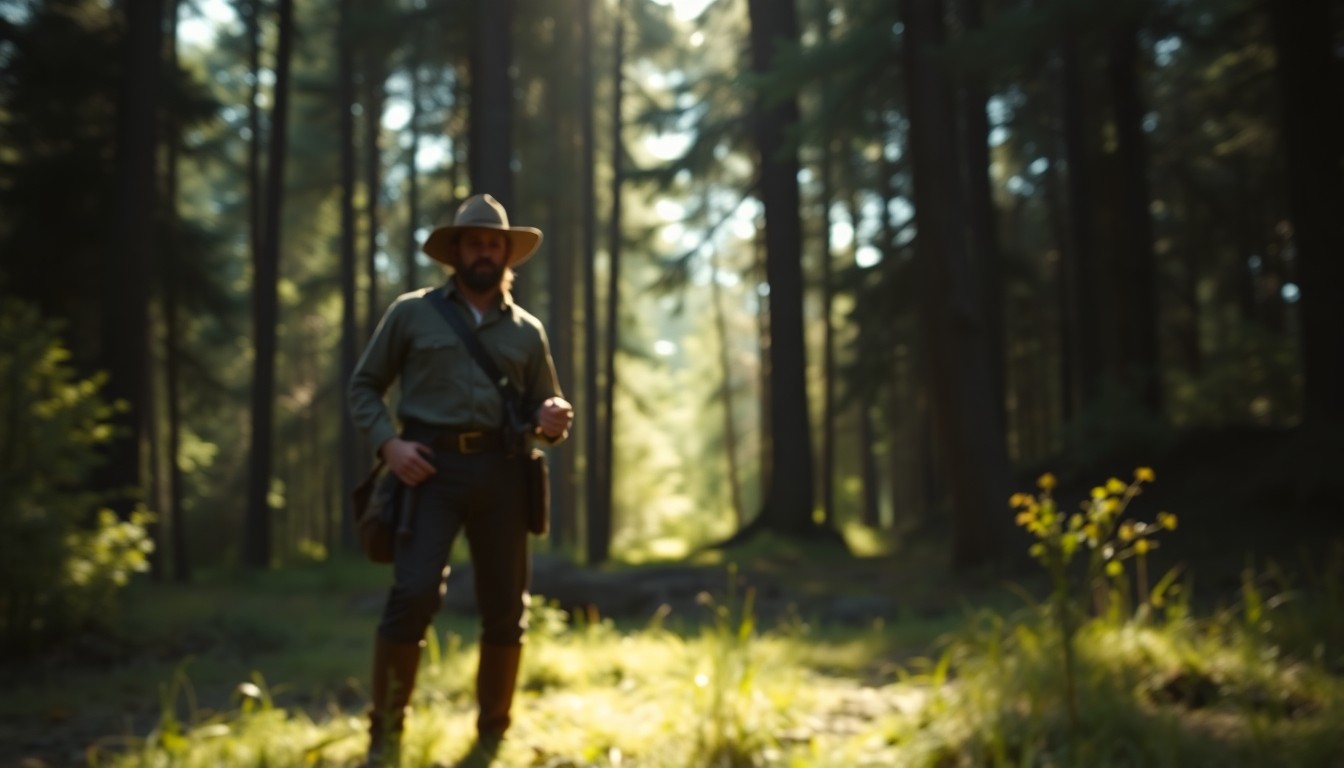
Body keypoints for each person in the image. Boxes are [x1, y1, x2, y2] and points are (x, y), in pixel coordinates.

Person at [348, 193, 574, 766]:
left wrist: (552, 419)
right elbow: (364, 387)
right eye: (473, 241)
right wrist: (390, 444)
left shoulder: (528, 331)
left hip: (504, 474)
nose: (483, 250)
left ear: (507, 253)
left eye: (493, 242)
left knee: (506, 609)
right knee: (413, 593)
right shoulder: (411, 312)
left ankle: (493, 735)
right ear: (455, 251)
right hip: (428, 472)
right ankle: (386, 733)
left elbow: (543, 410)